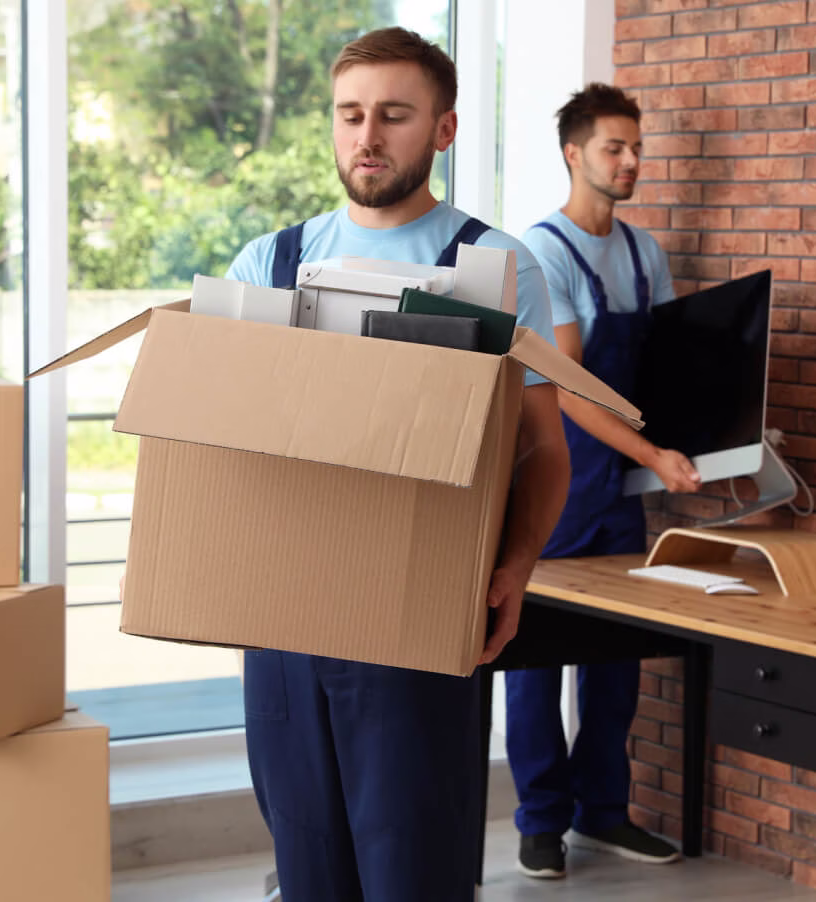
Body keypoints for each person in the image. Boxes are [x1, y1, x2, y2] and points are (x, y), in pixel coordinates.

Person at [223, 27, 571, 902]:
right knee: (307, 869)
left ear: (443, 131)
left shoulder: (496, 267)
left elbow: (542, 445)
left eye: (393, 115)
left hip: (421, 611)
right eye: (350, 115)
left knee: (414, 868)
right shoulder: (271, 262)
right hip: (286, 616)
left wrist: (519, 567)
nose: (367, 137)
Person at [504, 82, 700, 880]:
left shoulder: (644, 253)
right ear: (573, 153)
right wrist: (656, 458)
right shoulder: (541, 251)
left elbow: (666, 371)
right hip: (553, 486)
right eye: (614, 147)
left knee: (616, 664)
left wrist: (718, 442)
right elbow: (570, 388)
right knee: (534, 666)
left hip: (620, 498)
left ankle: (606, 814)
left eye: (637, 148)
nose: (630, 161)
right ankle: (541, 823)